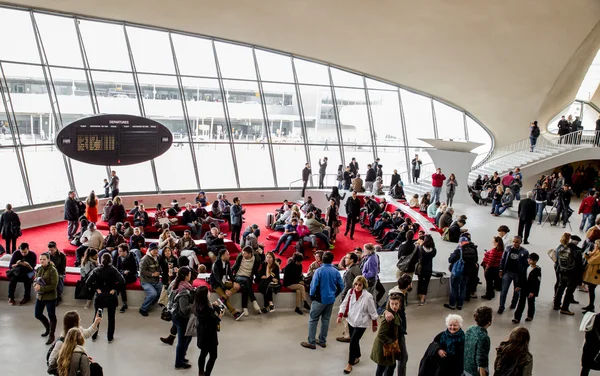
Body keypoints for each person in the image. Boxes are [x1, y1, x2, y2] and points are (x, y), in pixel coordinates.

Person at [301, 251, 344, 349]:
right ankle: (322, 341)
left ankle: (311, 342)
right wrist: (334, 294)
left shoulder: (319, 271)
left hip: (319, 299)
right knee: (326, 320)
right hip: (330, 299)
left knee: (313, 320)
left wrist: (312, 296)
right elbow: (341, 286)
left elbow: (313, 285)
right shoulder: (335, 271)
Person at [336, 275, 378, 374]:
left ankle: (349, 364)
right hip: (351, 320)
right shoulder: (350, 292)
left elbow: (372, 310)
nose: (357, 286)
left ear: (363, 285)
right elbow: (344, 304)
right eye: (356, 284)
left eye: (360, 285)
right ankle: (357, 356)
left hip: (361, 323)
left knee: (353, 341)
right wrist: (340, 315)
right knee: (355, 340)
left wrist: (374, 323)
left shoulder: (368, 297)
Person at [86, 253, 124, 342]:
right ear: (111, 260)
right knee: (111, 318)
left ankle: (94, 336)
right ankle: (110, 337)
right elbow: (122, 281)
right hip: (111, 297)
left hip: (100, 297)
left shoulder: (96, 270)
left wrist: (96, 288)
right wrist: (115, 288)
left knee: (98, 316)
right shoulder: (114, 270)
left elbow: (88, 282)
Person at [168, 267, 194, 370]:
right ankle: (179, 362)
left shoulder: (178, 284)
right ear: (186, 276)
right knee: (182, 341)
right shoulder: (183, 289)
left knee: (188, 337)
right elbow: (184, 309)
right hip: (181, 317)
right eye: (189, 274)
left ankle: (182, 356)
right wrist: (195, 305)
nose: (190, 275)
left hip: (177, 316)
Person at [194, 286, 224, 376]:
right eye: (208, 292)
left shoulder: (199, 305)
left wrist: (213, 306)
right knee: (213, 356)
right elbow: (211, 322)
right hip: (209, 335)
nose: (209, 293)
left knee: (203, 353)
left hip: (202, 334)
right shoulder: (206, 308)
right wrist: (219, 317)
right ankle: (206, 374)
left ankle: (201, 372)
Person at [444, 236, 478, 310]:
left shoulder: (458, 251)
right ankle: (460, 305)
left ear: (461, 243)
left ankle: (452, 304)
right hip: (466, 273)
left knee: (454, 288)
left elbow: (450, 260)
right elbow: (474, 261)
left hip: (457, 272)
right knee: (463, 288)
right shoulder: (472, 251)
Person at [554, 233, 584, 315]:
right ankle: (565, 308)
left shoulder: (563, 248)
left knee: (560, 288)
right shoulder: (577, 251)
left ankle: (556, 305)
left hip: (563, 272)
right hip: (572, 274)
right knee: (569, 291)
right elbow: (579, 265)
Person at [498, 236, 529, 314]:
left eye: (516, 242)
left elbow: (526, 264)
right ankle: (501, 306)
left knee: (516, 291)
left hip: (517, 274)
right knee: (504, 291)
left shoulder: (524, 252)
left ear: (520, 242)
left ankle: (513, 304)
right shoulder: (508, 249)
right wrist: (501, 270)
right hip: (508, 272)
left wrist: (522, 276)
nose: (514, 243)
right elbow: (503, 259)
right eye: (513, 242)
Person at [337, 252, 363, 343]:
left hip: (350, 297)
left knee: (345, 316)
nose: (345, 259)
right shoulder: (357, 268)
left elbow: (347, 286)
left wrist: (343, 298)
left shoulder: (350, 271)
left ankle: (348, 335)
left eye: (347, 258)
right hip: (356, 296)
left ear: (352, 260)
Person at [211, 249, 244, 320]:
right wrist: (225, 289)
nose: (229, 256)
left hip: (224, 281)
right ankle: (235, 314)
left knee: (238, 286)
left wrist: (234, 282)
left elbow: (230, 274)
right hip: (216, 284)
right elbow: (217, 279)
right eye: (227, 254)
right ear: (222, 256)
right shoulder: (215, 265)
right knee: (225, 297)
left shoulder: (227, 263)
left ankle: (222, 299)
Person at [33, 252, 59, 345]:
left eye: (44, 259)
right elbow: (35, 280)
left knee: (51, 315)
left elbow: (53, 286)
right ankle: (48, 328)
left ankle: (52, 335)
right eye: (40, 259)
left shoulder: (53, 271)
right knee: (37, 314)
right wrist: (35, 285)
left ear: (48, 260)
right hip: (40, 296)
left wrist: (42, 288)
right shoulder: (39, 269)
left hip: (50, 297)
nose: (42, 261)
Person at [232, 246, 262, 315]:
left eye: (245, 253)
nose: (243, 254)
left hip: (248, 277)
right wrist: (232, 279)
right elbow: (234, 267)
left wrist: (259, 278)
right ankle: (254, 300)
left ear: (250, 254)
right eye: (243, 253)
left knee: (245, 287)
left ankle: (244, 307)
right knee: (246, 281)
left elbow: (255, 271)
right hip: (239, 276)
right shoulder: (240, 256)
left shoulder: (256, 259)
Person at [463, 306, 493, 376]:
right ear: (489, 322)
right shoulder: (484, 337)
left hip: (466, 369)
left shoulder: (470, 329)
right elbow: (481, 362)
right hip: (475, 373)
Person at [512, 253, 541, 323]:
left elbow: (537, 283)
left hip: (530, 290)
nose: (529, 260)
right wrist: (519, 286)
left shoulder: (537, 271)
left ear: (535, 261)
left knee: (530, 303)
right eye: (528, 259)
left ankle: (530, 315)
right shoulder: (526, 267)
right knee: (521, 302)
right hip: (524, 288)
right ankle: (517, 318)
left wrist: (533, 292)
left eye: (530, 260)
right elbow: (522, 277)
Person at [139, 243, 163, 316]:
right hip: (146, 281)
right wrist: (152, 274)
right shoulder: (145, 259)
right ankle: (143, 308)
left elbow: (159, 267)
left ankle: (150, 303)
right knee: (153, 294)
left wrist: (159, 271)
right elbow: (142, 272)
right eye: (154, 250)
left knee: (163, 290)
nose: (156, 251)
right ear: (150, 250)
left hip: (155, 280)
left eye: (157, 249)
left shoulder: (158, 257)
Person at [115, 243, 137, 313]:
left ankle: (122, 302)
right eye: (118, 251)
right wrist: (123, 272)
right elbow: (117, 269)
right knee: (120, 282)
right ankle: (123, 302)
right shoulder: (119, 258)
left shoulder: (132, 257)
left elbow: (135, 270)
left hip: (131, 276)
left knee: (121, 282)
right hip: (122, 275)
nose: (118, 252)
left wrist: (128, 272)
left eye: (120, 251)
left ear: (125, 251)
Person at [417, 235, 437, 306]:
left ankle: (419, 297)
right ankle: (423, 299)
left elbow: (418, 256)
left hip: (421, 268)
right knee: (426, 284)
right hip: (429, 268)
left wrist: (420, 244)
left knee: (420, 282)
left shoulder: (421, 249)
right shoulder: (434, 250)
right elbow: (433, 255)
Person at [583, 240, 600, 313]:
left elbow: (592, 261)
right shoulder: (596, 251)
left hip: (595, 274)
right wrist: (590, 254)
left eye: (596, 244)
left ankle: (591, 306)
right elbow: (586, 256)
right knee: (590, 289)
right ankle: (590, 305)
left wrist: (590, 255)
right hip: (591, 272)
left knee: (592, 289)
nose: (595, 245)